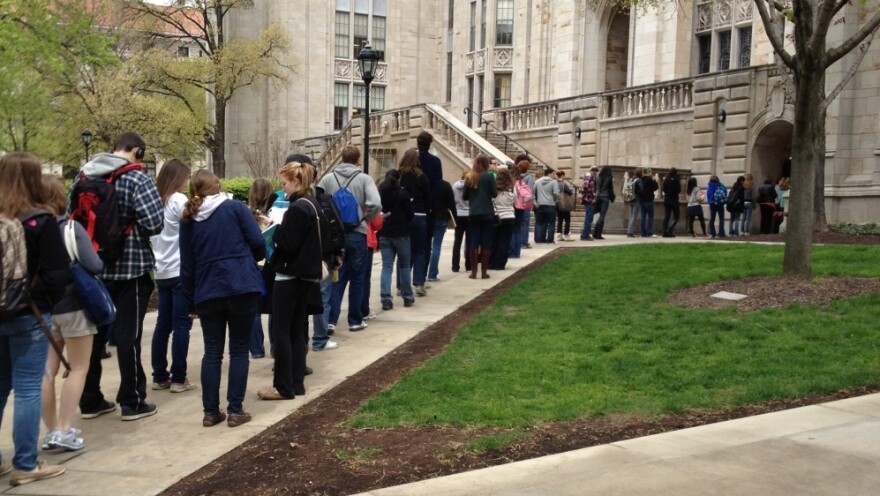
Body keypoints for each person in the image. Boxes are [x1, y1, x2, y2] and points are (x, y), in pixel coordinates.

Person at [78, 132, 164, 422]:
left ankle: (90, 399)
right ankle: (132, 400)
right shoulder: (138, 179)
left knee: (93, 337)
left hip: (92, 269)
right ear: (137, 151)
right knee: (129, 337)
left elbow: (72, 221)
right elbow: (155, 224)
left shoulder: (83, 178)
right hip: (131, 267)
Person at [0, 152, 68, 485]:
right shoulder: (40, 221)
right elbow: (58, 273)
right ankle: (25, 463)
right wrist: (45, 303)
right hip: (30, 313)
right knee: (28, 388)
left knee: (0, 386)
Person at [180, 169, 264, 426]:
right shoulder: (235, 208)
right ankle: (235, 410)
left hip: (207, 289)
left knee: (212, 352)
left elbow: (187, 264)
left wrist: (190, 300)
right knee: (239, 350)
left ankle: (210, 412)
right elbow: (258, 242)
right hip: (240, 284)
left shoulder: (189, 218)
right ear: (217, 185)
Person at [39, 175, 103, 453]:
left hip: (44, 309)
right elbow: (94, 264)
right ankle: (65, 429)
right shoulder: (69, 229)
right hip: (74, 305)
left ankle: (52, 428)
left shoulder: (29, 228)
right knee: (78, 367)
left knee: (46, 371)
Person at [258, 162, 322, 401]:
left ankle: (283, 386)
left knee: (282, 330)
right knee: (297, 330)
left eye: (284, 183)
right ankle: (296, 383)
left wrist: (273, 229)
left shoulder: (297, 208)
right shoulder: (312, 204)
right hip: (305, 275)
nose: (282, 188)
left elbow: (286, 243)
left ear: (296, 182)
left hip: (289, 275)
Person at [316, 145, 381, 333]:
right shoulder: (364, 179)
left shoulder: (328, 179)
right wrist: (366, 218)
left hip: (335, 235)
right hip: (357, 233)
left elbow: (318, 200)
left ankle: (331, 320)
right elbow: (375, 202)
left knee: (337, 277)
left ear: (341, 159)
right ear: (358, 159)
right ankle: (355, 320)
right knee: (358, 278)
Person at [150, 159, 197, 393]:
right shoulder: (178, 200)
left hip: (161, 269)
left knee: (163, 324)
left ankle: (159, 375)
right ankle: (179, 377)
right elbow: (195, 223)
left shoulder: (155, 201)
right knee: (181, 325)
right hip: (179, 269)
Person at [246, 178, 276, 358]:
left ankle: (256, 350)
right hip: (271, 261)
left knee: (254, 309)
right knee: (274, 306)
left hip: (252, 263)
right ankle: (275, 346)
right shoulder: (274, 213)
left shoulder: (246, 213)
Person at [378, 169, 415, 310]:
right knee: (404, 265)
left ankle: (386, 297)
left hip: (385, 233)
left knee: (387, 266)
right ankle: (407, 296)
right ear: (398, 179)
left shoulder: (380, 193)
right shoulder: (403, 193)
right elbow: (410, 214)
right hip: (402, 233)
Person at [398, 149, 431, 297]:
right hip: (420, 214)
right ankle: (419, 283)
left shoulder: (399, 176)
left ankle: (401, 284)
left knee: (404, 253)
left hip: (404, 215)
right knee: (419, 251)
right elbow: (427, 198)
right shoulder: (422, 176)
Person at [462, 155, 497, 279]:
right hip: (487, 211)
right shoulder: (489, 176)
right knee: (486, 241)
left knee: (474, 241)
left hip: (474, 212)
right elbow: (494, 193)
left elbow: (464, 196)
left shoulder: (470, 176)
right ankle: (484, 271)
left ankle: (473, 272)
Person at [428, 177, 455, 281]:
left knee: (427, 246)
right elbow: (451, 203)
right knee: (437, 245)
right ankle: (432, 273)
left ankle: (424, 272)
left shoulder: (429, 183)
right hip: (442, 216)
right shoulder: (446, 185)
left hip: (430, 216)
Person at [490, 167, 516, 270]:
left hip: (496, 216)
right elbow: (515, 199)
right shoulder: (512, 189)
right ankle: (500, 263)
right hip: (509, 216)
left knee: (494, 240)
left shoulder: (494, 189)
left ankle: (492, 262)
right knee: (504, 241)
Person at [451, 172, 471, 272]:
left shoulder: (455, 186)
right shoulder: (471, 185)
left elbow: (453, 200)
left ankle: (455, 265)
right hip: (469, 213)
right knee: (469, 241)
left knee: (457, 241)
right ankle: (468, 264)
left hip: (458, 214)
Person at [533, 168, 559, 243]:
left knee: (539, 222)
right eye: (553, 173)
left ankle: (539, 239)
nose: (554, 175)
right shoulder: (554, 182)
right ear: (549, 174)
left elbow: (532, 193)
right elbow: (556, 193)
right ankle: (550, 239)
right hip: (551, 204)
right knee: (551, 223)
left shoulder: (537, 182)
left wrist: (535, 202)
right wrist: (554, 200)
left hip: (540, 204)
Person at [516, 155, 535, 249]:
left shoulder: (516, 176)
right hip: (525, 204)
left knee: (518, 223)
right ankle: (524, 242)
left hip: (516, 203)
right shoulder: (529, 178)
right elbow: (530, 191)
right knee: (525, 222)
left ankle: (517, 241)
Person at [593, 166, 615, 239]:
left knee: (597, 215)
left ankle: (595, 232)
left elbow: (595, 186)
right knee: (602, 216)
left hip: (597, 196)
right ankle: (598, 234)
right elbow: (610, 188)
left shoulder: (597, 176)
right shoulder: (609, 177)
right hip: (605, 197)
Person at [638, 168, 658, 237]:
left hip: (642, 200)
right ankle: (649, 232)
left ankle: (643, 233)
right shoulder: (650, 180)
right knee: (650, 216)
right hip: (649, 200)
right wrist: (654, 180)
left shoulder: (641, 180)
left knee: (643, 217)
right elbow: (656, 187)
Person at [661, 168, 681, 237]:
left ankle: (664, 230)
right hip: (674, 199)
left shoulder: (666, 179)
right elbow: (679, 190)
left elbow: (663, 189)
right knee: (676, 216)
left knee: (667, 216)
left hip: (667, 199)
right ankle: (670, 229)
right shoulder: (676, 180)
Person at [579, 166, 598, 240]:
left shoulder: (589, 178)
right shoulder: (589, 178)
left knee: (589, 218)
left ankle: (585, 234)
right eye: (593, 170)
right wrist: (593, 197)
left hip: (588, 200)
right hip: (589, 200)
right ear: (590, 171)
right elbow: (586, 188)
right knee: (588, 219)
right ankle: (585, 235)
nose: (595, 172)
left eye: (596, 171)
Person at [554, 170, 574, 241]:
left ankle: (559, 235)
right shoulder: (563, 184)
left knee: (560, 219)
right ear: (562, 176)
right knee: (567, 219)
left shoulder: (554, 183)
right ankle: (566, 235)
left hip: (557, 203)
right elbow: (570, 192)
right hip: (563, 203)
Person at [626, 168, 643, 238]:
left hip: (630, 198)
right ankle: (630, 232)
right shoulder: (638, 180)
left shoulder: (631, 179)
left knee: (631, 216)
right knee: (634, 216)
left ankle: (629, 231)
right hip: (636, 199)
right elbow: (641, 190)